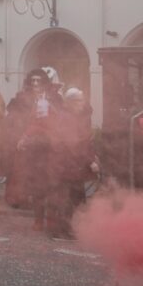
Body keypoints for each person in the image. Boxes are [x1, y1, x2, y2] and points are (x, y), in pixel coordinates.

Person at [3, 68, 64, 228]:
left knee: (52, 184)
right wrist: (22, 136)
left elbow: (58, 120)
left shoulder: (54, 98)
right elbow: (18, 120)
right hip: (34, 149)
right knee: (37, 184)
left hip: (51, 148)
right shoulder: (24, 98)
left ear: (45, 82)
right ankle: (38, 219)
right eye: (33, 81)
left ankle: (51, 219)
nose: (36, 84)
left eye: (39, 80)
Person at [44, 87, 97, 239]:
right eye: (79, 101)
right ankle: (62, 230)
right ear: (71, 102)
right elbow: (74, 144)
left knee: (69, 198)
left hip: (67, 165)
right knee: (69, 199)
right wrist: (90, 161)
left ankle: (62, 228)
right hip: (67, 166)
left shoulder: (69, 116)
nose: (82, 103)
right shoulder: (67, 118)